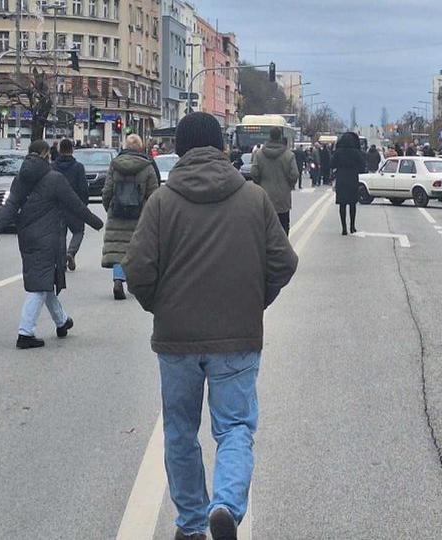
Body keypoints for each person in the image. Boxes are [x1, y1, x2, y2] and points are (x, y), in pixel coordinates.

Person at [124, 112, 298, 540]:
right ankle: (225, 505)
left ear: (179, 149)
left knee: (180, 431)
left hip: (176, 339)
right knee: (235, 428)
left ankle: (190, 523)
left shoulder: (161, 202)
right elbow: (284, 263)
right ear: (222, 147)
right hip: (237, 338)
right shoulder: (253, 199)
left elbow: (138, 271)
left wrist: (161, 307)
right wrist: (254, 302)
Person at [0, 140, 104, 349]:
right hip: (48, 238)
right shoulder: (55, 179)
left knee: (44, 280)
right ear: (46, 154)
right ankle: (25, 332)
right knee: (39, 287)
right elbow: (75, 204)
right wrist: (96, 222)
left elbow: (10, 206)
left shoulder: (20, 178)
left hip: (27, 237)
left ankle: (62, 321)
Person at [102, 134, 159, 300]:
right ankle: (135, 282)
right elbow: (153, 193)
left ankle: (118, 280)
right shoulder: (147, 167)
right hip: (139, 215)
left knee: (118, 247)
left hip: (118, 212)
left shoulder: (115, 165)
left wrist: (109, 208)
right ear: (140, 147)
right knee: (136, 249)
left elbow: (107, 190)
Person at [251, 127, 299, 235]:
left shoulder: (259, 154)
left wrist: (259, 184)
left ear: (270, 136)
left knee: (265, 227)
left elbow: (254, 173)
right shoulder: (288, 155)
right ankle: (282, 249)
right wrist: (289, 186)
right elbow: (294, 174)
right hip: (283, 198)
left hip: (264, 196)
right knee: (283, 226)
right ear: (281, 137)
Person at [52, 139, 89, 272]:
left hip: (57, 206)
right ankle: (71, 252)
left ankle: (61, 260)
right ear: (72, 150)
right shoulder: (78, 167)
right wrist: (83, 205)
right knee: (78, 231)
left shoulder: (53, 167)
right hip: (74, 206)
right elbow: (83, 188)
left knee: (60, 234)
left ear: (59, 150)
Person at [332, 132, 367, 236]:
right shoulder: (356, 152)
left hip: (341, 179)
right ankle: (352, 226)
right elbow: (362, 165)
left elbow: (332, 164)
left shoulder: (338, 152)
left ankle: (344, 228)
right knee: (352, 204)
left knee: (342, 205)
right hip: (352, 179)